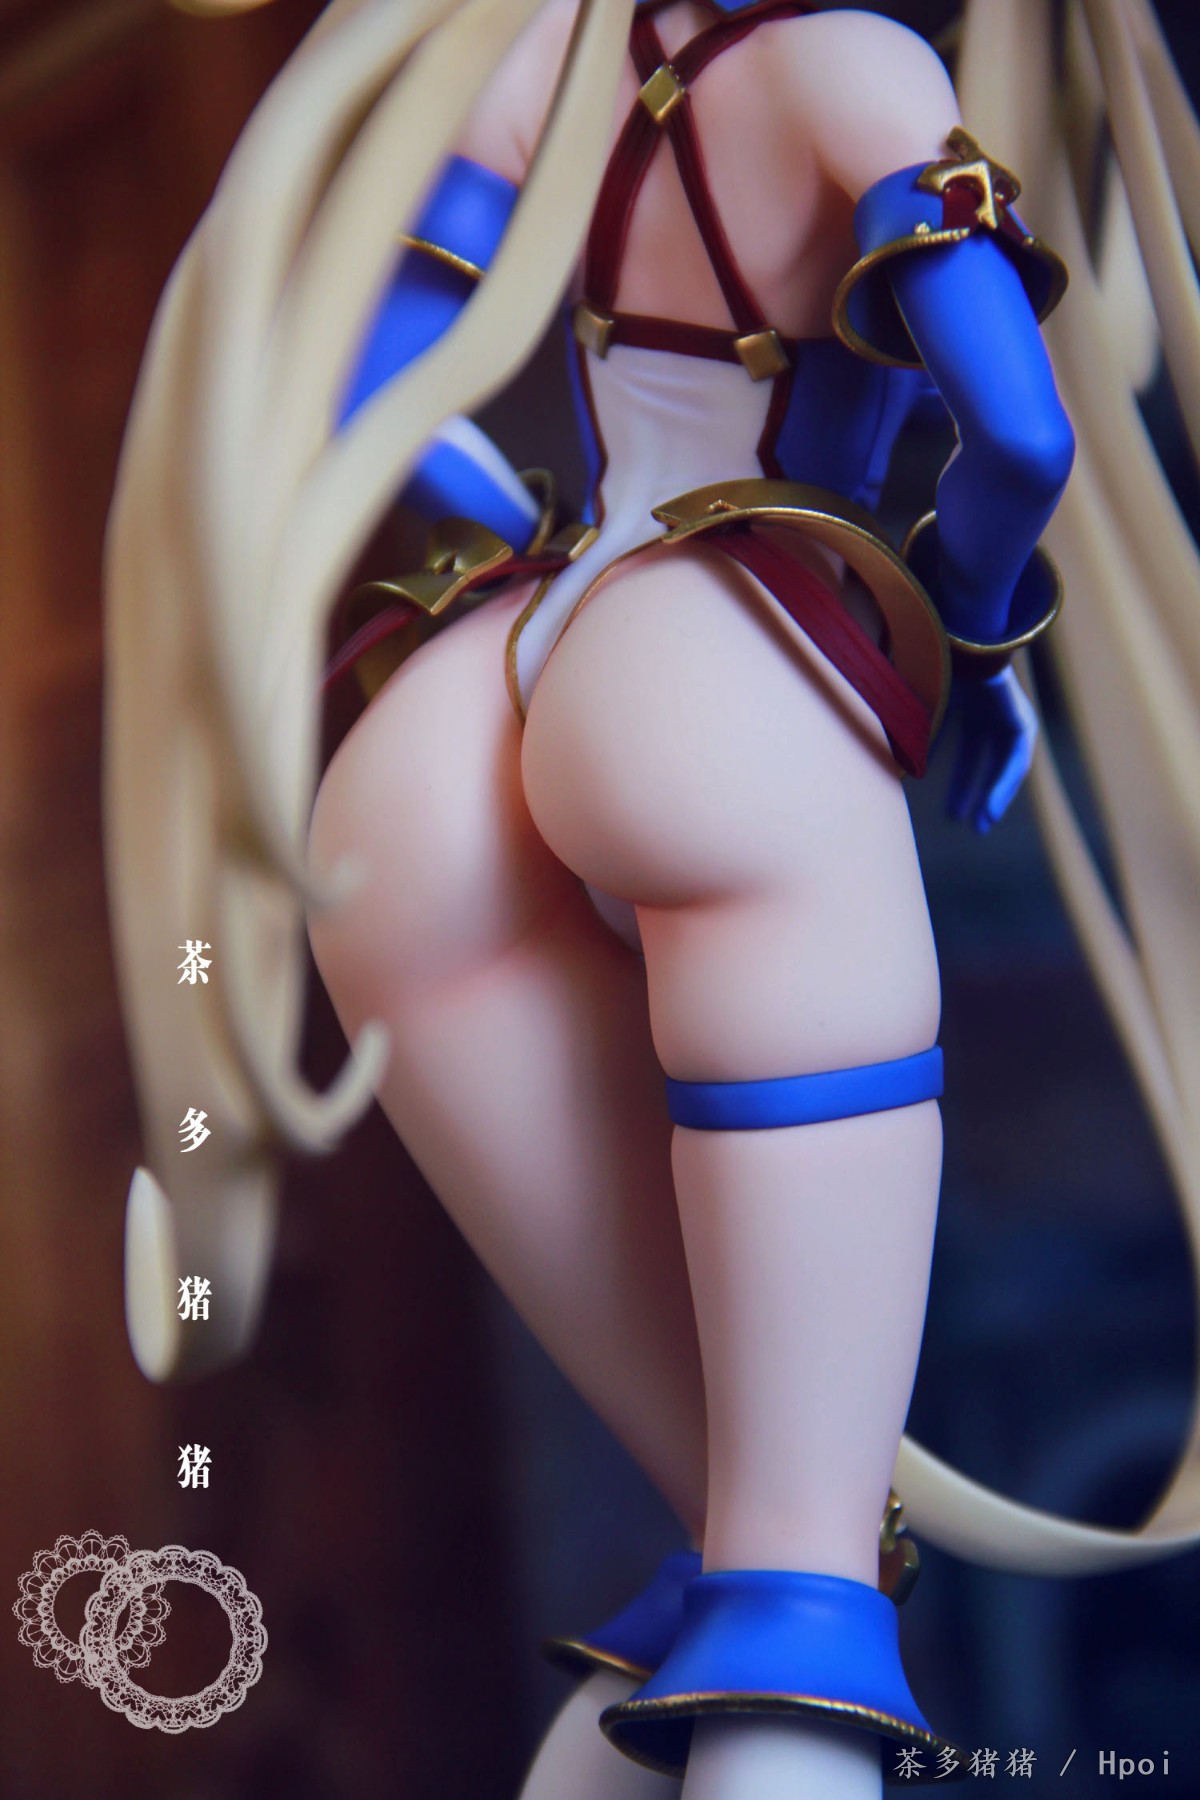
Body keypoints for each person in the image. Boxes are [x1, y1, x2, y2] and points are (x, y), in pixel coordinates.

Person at [106, 2, 1200, 1795]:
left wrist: (525, 544)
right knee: (800, 1592)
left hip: (484, 693)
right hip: (731, 652)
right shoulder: (857, 72)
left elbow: (378, 377)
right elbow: (1019, 440)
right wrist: (975, 627)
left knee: (734, 1535)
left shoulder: (538, 58)